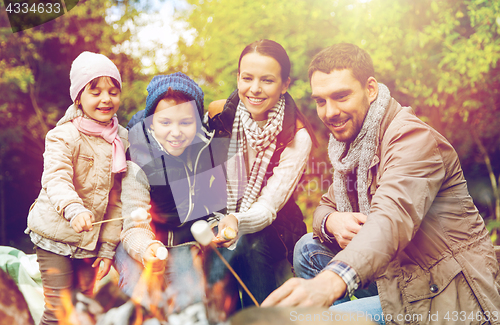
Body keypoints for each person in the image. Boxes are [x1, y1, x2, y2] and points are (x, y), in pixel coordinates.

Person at [262, 43, 500, 324]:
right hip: (398, 274)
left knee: (316, 320)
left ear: (371, 89)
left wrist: (329, 283)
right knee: (307, 249)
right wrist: (331, 221)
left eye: (341, 96)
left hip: (446, 291)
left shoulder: (412, 139)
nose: (329, 112)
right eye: (321, 101)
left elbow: (389, 219)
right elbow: (326, 205)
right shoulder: (354, 146)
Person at [207, 39, 317, 307]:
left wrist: (235, 221)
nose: (254, 89)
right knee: (212, 267)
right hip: (221, 215)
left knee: (250, 246)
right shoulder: (220, 114)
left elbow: (268, 207)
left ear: (284, 84)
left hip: (274, 228)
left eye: (267, 80)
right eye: (247, 78)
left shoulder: (297, 137)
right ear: (238, 77)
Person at [114, 72, 232, 315]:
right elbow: (133, 224)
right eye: (165, 123)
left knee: (191, 301)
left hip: (184, 243)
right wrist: (146, 248)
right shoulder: (138, 158)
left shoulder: (207, 150)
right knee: (140, 296)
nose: (176, 132)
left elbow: (217, 207)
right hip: (141, 243)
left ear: (198, 123)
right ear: (151, 123)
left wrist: (219, 227)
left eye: (185, 123)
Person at [26, 51, 128, 325]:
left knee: (83, 310)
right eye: (95, 92)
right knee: (58, 311)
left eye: (113, 91)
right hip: (56, 236)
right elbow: (55, 178)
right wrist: (73, 208)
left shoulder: (121, 139)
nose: (106, 99)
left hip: (90, 244)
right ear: (78, 98)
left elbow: (116, 199)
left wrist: (107, 247)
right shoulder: (63, 135)